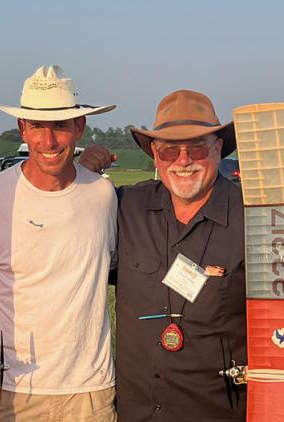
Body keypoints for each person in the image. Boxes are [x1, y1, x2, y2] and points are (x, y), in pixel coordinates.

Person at [80, 90, 247, 421]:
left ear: (217, 149)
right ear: (155, 155)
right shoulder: (125, 207)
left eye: (196, 147)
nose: (183, 161)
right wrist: (81, 178)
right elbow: (68, 241)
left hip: (217, 410)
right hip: (138, 410)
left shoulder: (253, 217)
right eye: (170, 150)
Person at [0, 65, 118, 422]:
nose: (48, 142)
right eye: (36, 126)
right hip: (10, 391)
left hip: (88, 392)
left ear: (80, 127)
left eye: (61, 126)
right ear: (22, 128)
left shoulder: (102, 194)